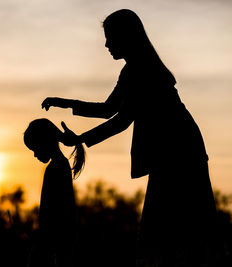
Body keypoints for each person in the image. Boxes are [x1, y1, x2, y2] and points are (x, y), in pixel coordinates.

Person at [42, 9, 217, 267]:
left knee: (173, 232)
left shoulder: (143, 69)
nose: (106, 44)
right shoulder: (132, 69)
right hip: (171, 152)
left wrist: (80, 138)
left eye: (110, 37)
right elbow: (108, 108)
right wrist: (65, 103)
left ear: (126, 36)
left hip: (179, 152)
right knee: (172, 232)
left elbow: (121, 121)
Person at [24, 118, 85, 267]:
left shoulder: (55, 168)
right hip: (60, 239)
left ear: (43, 142)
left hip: (56, 239)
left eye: (34, 149)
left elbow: (51, 209)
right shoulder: (60, 165)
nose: (35, 155)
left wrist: (42, 241)